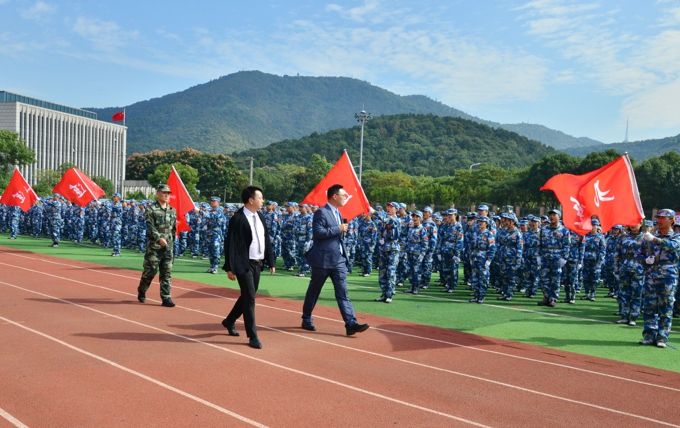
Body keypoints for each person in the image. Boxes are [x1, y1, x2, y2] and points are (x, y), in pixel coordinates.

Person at [301, 184, 369, 335]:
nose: (346, 197)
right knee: (314, 291)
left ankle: (351, 323)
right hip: (323, 260)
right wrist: (339, 228)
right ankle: (306, 318)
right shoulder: (321, 212)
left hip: (338, 260)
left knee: (343, 293)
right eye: (344, 195)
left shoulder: (338, 212)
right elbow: (318, 233)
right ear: (334, 196)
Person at [221, 186, 275, 350]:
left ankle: (229, 320)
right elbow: (230, 243)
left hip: (258, 263)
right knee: (250, 297)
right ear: (251, 200)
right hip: (243, 263)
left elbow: (266, 239)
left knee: (248, 295)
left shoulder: (260, 216)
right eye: (260, 198)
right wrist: (229, 267)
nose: (262, 201)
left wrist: (271, 261)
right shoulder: (237, 218)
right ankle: (253, 335)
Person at [640, 209, 680, 348]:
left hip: (668, 276)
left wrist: (654, 239)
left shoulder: (676, 236)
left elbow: (673, 246)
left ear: (671, 220)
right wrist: (645, 260)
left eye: (663, 218)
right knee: (649, 306)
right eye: (658, 217)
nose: (660, 220)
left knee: (666, 307)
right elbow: (641, 252)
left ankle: (662, 337)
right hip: (651, 274)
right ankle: (649, 335)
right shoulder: (651, 236)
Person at [137, 184, 177, 308]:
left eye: (168, 193)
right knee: (150, 272)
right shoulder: (151, 209)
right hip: (154, 247)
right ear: (158, 193)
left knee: (167, 273)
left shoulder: (172, 210)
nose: (166, 195)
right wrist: (159, 238)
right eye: (164, 192)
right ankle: (142, 289)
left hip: (168, 247)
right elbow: (150, 226)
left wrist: (172, 243)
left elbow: (173, 229)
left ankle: (166, 297)